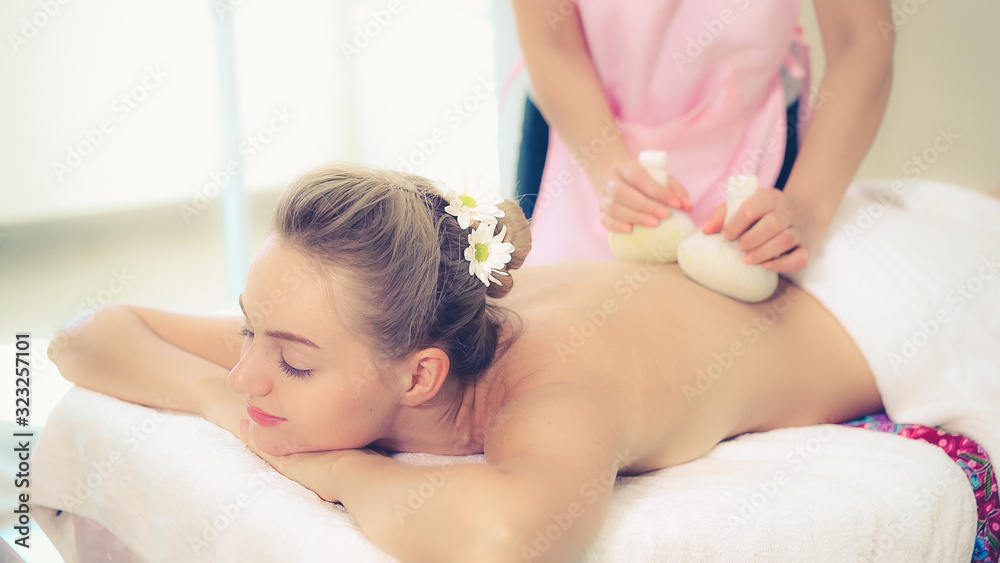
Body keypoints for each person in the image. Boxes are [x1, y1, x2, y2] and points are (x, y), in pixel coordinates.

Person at [48, 163, 999, 562]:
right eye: (251, 330)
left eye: (291, 363)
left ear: (418, 376)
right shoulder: (357, 327)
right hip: (773, 276)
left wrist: (334, 467)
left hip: (895, 308)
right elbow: (87, 333)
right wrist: (220, 401)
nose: (253, 371)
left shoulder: (552, 392)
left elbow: (509, 536)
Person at [510, 0, 894, 272]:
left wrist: (808, 207)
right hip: (576, 129)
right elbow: (550, 40)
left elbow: (860, 42)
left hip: (755, 141)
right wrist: (606, 163)